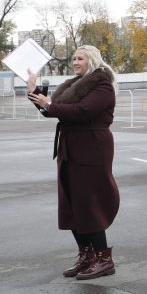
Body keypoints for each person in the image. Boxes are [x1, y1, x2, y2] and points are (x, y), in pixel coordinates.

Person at [27, 45, 119, 280]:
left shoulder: (102, 86)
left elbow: (81, 111)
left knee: (90, 201)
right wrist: (33, 90)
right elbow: (53, 111)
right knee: (72, 201)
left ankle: (103, 259)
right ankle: (86, 256)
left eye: (80, 58)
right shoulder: (73, 85)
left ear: (92, 60)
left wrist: (49, 104)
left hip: (92, 147)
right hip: (71, 147)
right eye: (74, 58)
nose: (75, 62)